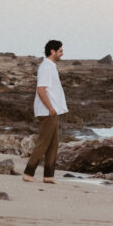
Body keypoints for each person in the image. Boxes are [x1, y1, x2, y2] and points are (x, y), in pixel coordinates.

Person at [22, 40, 68, 184]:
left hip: (52, 111)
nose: (62, 53)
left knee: (54, 143)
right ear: (52, 51)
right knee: (43, 142)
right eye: (60, 51)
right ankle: (28, 173)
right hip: (48, 111)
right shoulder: (46, 67)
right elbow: (40, 90)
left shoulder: (51, 66)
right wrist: (50, 108)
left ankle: (48, 176)